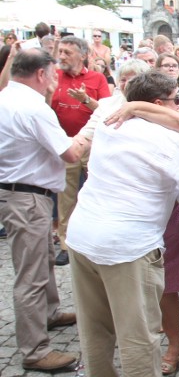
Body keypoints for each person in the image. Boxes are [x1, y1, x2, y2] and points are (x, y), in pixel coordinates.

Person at [67, 71, 179, 377]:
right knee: (139, 330)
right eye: (176, 100)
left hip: (83, 231)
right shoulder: (170, 139)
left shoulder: (109, 123)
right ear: (160, 104)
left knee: (94, 324)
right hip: (128, 243)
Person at [0, 49, 86, 372]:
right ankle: (35, 349)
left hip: (21, 193)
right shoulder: (33, 107)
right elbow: (69, 154)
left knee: (42, 259)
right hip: (26, 196)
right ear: (40, 74)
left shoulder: (7, 97)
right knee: (31, 273)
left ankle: (49, 313)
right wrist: (91, 131)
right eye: (52, 74)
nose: (54, 80)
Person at [51, 36, 111, 267]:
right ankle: (66, 243)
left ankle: (97, 236)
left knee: (97, 191)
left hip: (93, 145)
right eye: (61, 51)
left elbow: (107, 111)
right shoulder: (55, 77)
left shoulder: (96, 78)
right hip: (64, 144)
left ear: (83, 54)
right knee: (66, 196)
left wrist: (86, 99)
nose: (62, 56)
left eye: (68, 52)